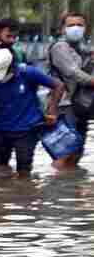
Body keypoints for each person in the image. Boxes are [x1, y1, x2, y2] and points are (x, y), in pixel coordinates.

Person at [0, 47, 64, 178]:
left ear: (12, 66)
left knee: (24, 169)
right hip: (1, 128)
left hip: (27, 129)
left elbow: (58, 86)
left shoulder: (28, 72)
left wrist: (52, 110)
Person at [47, 11, 94, 169]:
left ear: (85, 28)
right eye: (71, 25)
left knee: (77, 152)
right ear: (62, 29)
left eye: (79, 25)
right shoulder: (60, 47)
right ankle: (60, 189)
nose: (76, 28)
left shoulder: (82, 49)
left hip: (80, 105)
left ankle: (71, 188)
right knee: (65, 151)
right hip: (63, 105)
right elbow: (73, 72)